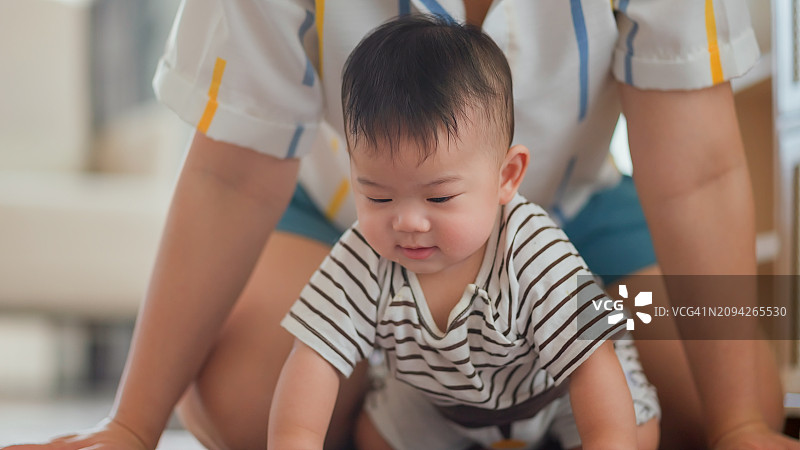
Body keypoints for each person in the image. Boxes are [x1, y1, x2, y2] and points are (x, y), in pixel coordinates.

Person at [7, 0, 795, 449]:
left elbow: (698, 172)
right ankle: (424, 396)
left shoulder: (543, 247)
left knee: (725, 381)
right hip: (348, 215)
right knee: (244, 391)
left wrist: (740, 424)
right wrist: (130, 426)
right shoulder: (378, 231)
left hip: (578, 213)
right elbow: (227, 173)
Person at [269, 15, 657, 450]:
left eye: (438, 198)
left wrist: (608, 439)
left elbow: (592, 364)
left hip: (557, 394)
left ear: (506, 177)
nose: (407, 223)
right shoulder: (363, 254)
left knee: (635, 431)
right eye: (378, 198)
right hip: (437, 406)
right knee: (373, 437)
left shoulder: (532, 246)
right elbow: (313, 359)